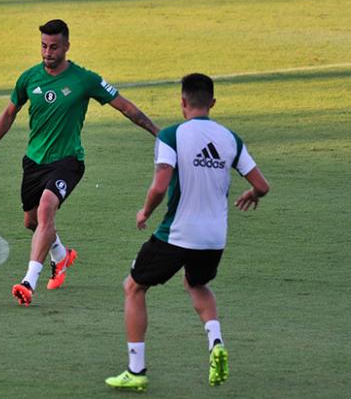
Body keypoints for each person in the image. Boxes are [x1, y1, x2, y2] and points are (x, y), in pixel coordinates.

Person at [0, 19, 159, 307]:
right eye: (43, 46)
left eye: (54, 47)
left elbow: (126, 107)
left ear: (67, 46)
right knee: (32, 222)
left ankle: (29, 282)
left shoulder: (85, 79)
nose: (47, 52)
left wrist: (159, 134)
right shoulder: (29, 78)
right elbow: (8, 115)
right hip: (34, 162)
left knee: (46, 209)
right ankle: (61, 254)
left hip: (68, 162)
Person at [105, 73, 270, 391]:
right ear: (212, 103)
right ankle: (216, 342)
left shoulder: (171, 136)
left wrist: (145, 212)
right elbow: (261, 185)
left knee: (133, 288)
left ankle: (135, 370)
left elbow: (160, 185)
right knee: (197, 283)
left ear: (182, 102)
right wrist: (253, 195)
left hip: (178, 234)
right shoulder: (230, 139)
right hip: (214, 237)